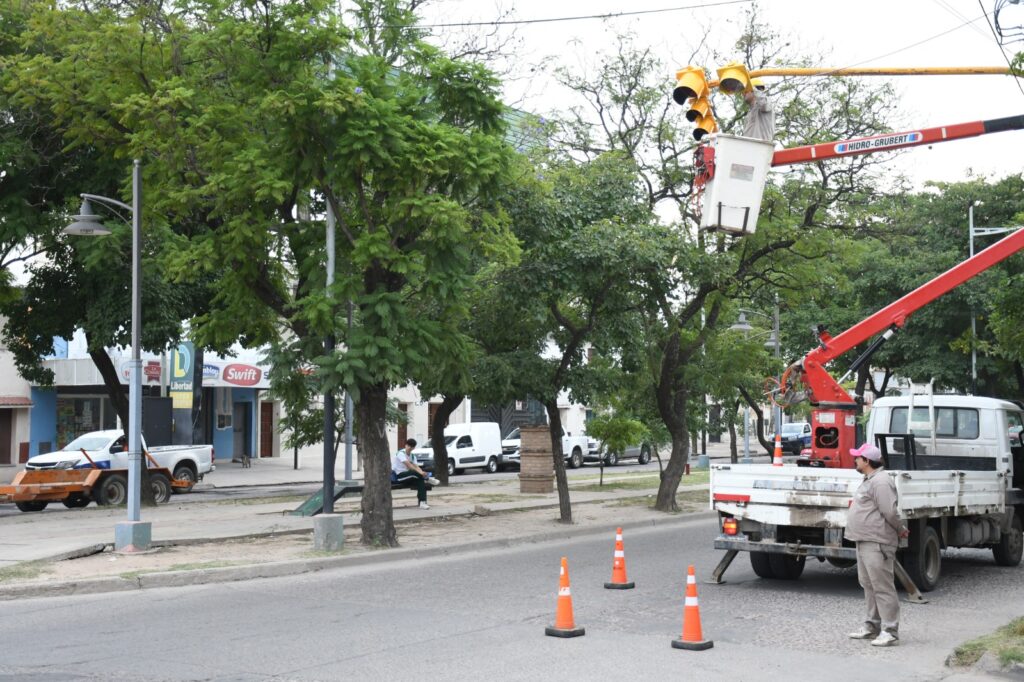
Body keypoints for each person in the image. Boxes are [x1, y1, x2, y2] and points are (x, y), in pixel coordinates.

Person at [846, 442, 909, 647]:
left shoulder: (881, 481)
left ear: (867, 461)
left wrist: (900, 529)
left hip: (877, 541)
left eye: (858, 457)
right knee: (868, 584)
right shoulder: (869, 479)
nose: (855, 460)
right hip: (864, 539)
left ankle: (890, 631)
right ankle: (872, 626)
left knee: (882, 586)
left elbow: (889, 511)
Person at [392, 438, 440, 510]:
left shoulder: (412, 456)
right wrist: (422, 473)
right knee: (415, 473)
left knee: (420, 480)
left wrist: (422, 473)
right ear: (405, 445)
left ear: (413, 448)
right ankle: (428, 478)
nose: (409, 448)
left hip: (409, 476)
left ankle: (422, 502)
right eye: (408, 446)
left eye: (411, 446)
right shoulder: (400, 453)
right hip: (399, 476)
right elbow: (409, 465)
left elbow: (416, 466)